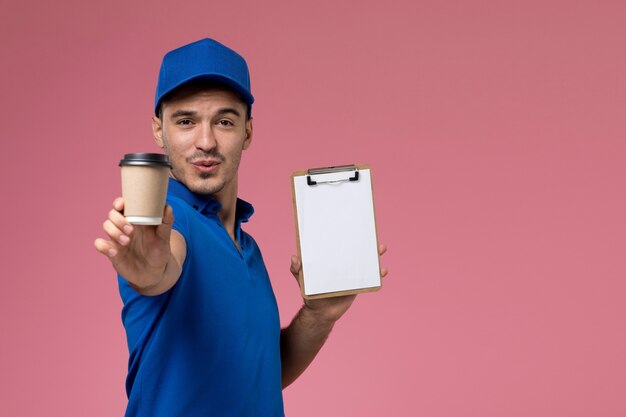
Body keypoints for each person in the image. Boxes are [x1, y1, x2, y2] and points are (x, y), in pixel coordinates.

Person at [94, 38, 388, 417]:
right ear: (158, 129)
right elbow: (160, 268)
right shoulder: (166, 224)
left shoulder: (246, 247)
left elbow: (264, 373)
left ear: (247, 131)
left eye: (224, 121)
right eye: (185, 121)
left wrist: (319, 314)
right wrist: (149, 272)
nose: (206, 141)